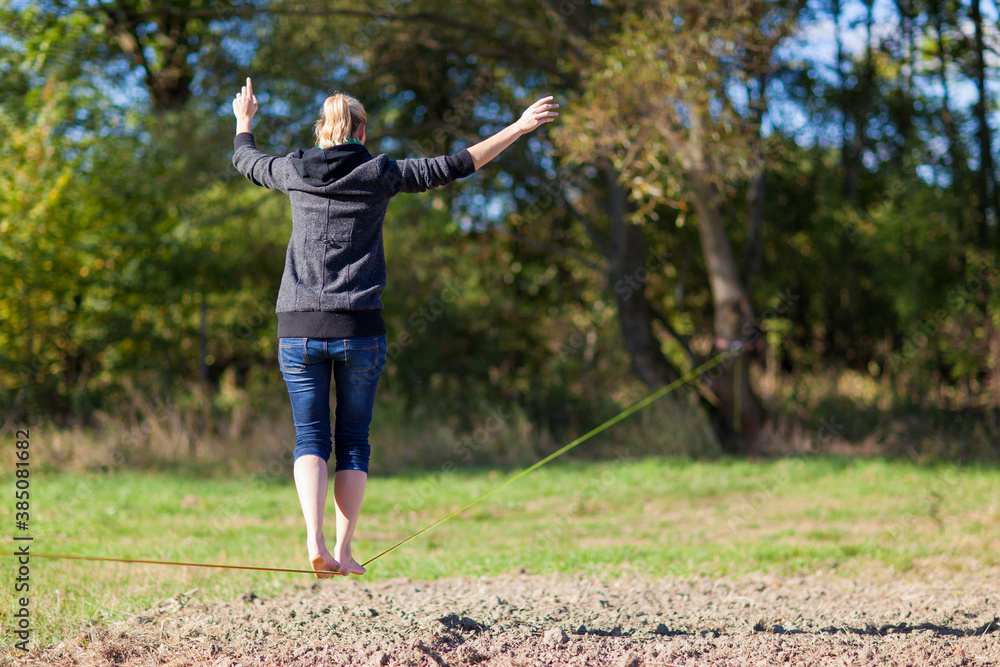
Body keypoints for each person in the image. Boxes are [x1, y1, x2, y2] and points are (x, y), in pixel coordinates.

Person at [231, 77, 558, 578]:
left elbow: (246, 162)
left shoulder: (292, 170)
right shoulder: (377, 172)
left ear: (321, 131)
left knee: (310, 438)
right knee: (354, 440)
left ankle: (312, 539)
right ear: (361, 130)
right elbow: (456, 165)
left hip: (297, 327)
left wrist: (244, 122)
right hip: (360, 328)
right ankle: (342, 552)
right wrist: (517, 126)